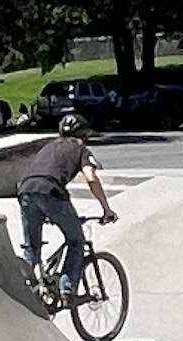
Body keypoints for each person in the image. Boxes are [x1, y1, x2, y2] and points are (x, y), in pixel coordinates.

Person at [14, 111, 116, 297]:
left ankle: (25, 278)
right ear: (84, 134)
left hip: (25, 191)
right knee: (77, 241)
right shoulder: (80, 149)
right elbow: (91, 179)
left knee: (32, 246)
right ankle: (66, 288)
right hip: (52, 193)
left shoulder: (48, 147)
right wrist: (106, 209)